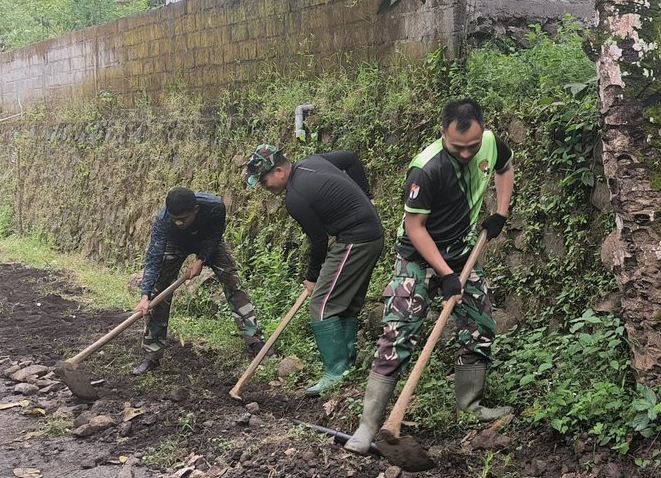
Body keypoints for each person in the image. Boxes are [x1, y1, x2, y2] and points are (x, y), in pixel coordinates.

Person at [344, 99, 516, 454]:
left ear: (482, 132)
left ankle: (469, 405)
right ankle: (368, 426)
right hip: (417, 258)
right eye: (457, 147)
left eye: (472, 146)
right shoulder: (426, 169)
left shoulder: (490, 143)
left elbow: (505, 167)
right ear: (442, 134)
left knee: (481, 323)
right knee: (398, 333)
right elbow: (415, 228)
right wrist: (446, 274)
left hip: (461, 252)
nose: (466, 153)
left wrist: (500, 212)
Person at [246, 143, 385, 395]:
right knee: (347, 303)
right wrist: (368, 197)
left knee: (321, 305)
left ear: (279, 171)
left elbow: (319, 240)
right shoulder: (313, 162)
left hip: (355, 239)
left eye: (265, 181)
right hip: (371, 234)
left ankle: (335, 373)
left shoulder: (295, 197)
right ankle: (347, 364)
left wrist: (312, 278)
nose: (266, 188)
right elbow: (351, 158)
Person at [131, 187, 262, 375]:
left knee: (233, 283)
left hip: (207, 241)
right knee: (158, 293)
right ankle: (152, 355)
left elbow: (215, 236)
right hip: (175, 244)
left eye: (183, 219)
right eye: (175, 219)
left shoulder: (215, 207)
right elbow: (154, 257)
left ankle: (254, 339)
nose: (178, 223)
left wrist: (201, 259)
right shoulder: (164, 220)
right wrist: (145, 296)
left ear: (196, 209)